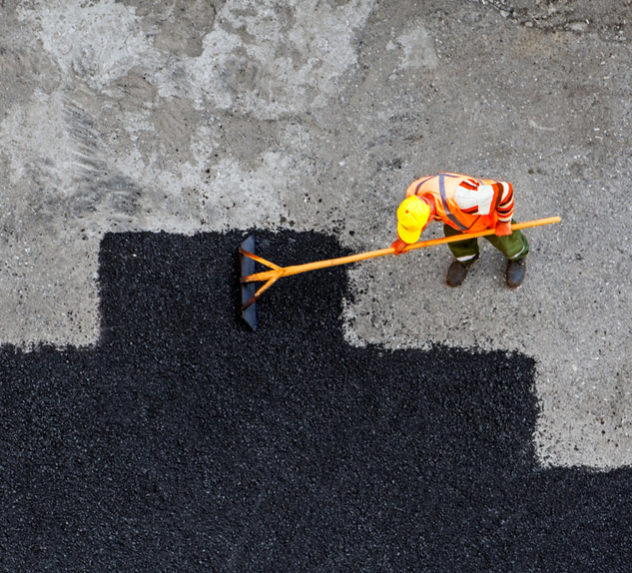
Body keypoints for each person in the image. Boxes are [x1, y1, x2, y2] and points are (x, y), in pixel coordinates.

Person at [391, 172, 529, 288]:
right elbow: (413, 217)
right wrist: (403, 241)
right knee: (456, 240)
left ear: (429, 218)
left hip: (484, 213)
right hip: (455, 217)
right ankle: (466, 260)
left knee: (507, 240)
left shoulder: (466, 199)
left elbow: (505, 191)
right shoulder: (413, 195)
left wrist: (504, 222)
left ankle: (517, 256)